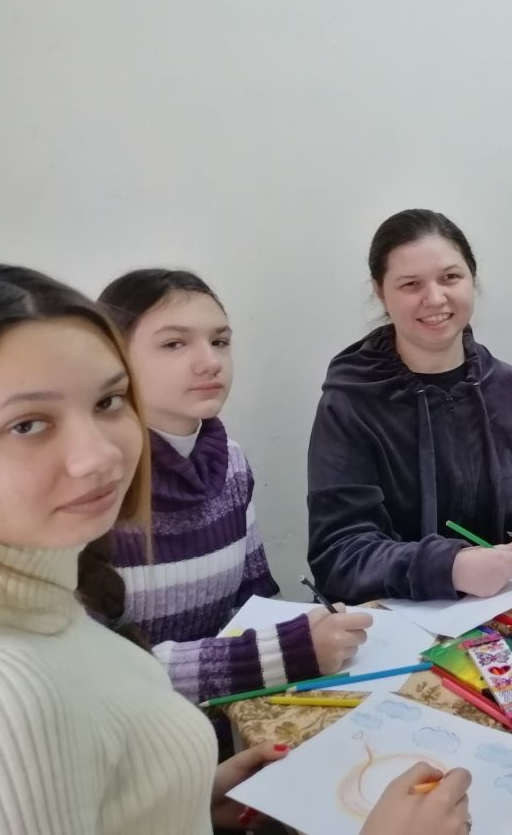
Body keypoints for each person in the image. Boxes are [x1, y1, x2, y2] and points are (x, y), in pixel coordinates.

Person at [0, 263, 472, 834]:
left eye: (107, 402)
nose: (97, 455)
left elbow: (249, 601)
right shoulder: (16, 694)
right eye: (27, 424)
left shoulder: (220, 467)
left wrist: (184, 796)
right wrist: (283, 653)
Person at [96, 268, 371, 707]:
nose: (210, 361)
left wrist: (308, 629)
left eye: (220, 341)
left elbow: (254, 602)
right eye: (174, 344)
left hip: (234, 712)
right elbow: (90, 678)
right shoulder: (88, 485)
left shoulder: (230, 462)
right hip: (136, 735)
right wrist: (286, 652)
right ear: (113, 358)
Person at [307, 209, 512, 605]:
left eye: (450, 278)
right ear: (380, 292)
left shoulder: (511, 389)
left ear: (472, 278)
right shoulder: (351, 402)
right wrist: (449, 567)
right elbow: (340, 554)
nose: (435, 298)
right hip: (396, 620)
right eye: (410, 284)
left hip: (505, 609)